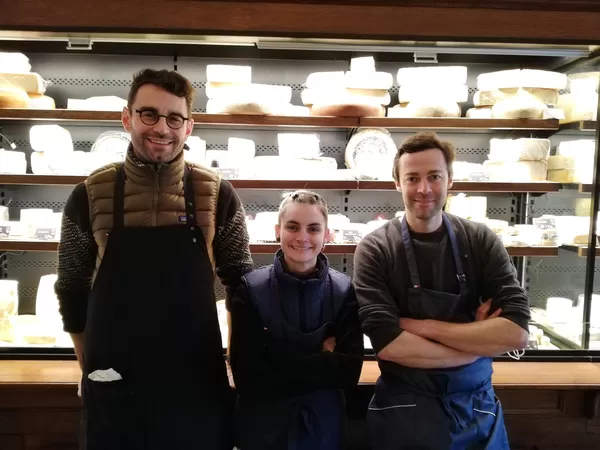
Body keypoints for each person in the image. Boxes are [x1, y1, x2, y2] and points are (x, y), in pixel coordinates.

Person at [54, 68, 253, 450]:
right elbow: (72, 290)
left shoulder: (217, 195)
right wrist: (91, 367)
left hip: (196, 389)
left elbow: (241, 289)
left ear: (189, 127)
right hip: (116, 390)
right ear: (127, 118)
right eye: (149, 114)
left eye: (174, 117)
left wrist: (235, 364)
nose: (162, 127)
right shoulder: (89, 195)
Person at [354, 131, 530, 450]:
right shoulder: (376, 248)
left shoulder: (481, 240)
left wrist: (422, 327)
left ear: (450, 179)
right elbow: (389, 345)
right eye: (412, 178)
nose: (424, 189)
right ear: (397, 183)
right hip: (407, 411)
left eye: (434, 176)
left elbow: (515, 333)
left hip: (477, 408)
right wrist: (477, 341)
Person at [229, 190, 364, 450]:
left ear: (327, 235)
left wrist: (275, 355)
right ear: (278, 231)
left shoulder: (345, 291)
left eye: (313, 229)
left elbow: (349, 373)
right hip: (262, 431)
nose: (302, 237)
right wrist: (324, 360)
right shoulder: (250, 290)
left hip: (322, 430)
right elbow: (248, 379)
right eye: (293, 227)